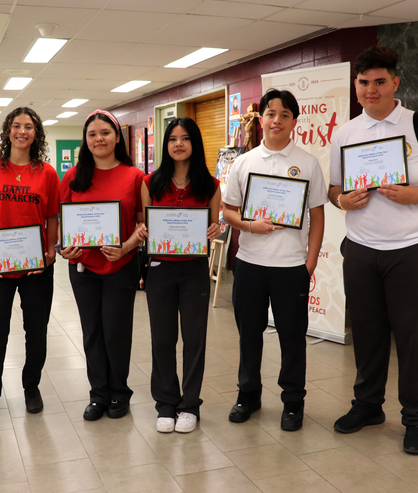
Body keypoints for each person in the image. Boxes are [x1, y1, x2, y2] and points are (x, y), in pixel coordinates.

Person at [328, 45, 418, 455]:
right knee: (368, 335)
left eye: (379, 81)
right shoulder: (345, 133)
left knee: (412, 338)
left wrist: (415, 195)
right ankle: (368, 406)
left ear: (395, 83)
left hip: (411, 250)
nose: (371, 90)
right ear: (356, 86)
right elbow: (335, 187)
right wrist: (341, 201)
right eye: (363, 82)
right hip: (360, 249)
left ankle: (417, 420)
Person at [222, 88, 327, 431]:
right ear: (261, 120)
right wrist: (250, 224)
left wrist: (309, 264)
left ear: (294, 121)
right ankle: (248, 394)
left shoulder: (308, 164)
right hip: (250, 263)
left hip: (290, 267)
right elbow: (227, 212)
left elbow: (317, 217)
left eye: (284, 114)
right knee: (248, 334)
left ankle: (293, 401)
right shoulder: (244, 162)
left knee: (292, 337)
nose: (276, 120)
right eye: (270, 113)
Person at [0, 107, 59, 425]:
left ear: (36, 133)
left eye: (28, 126)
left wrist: (48, 253)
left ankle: (31, 386)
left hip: (36, 269)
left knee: (36, 330)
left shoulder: (46, 173)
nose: (22, 131)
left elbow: (52, 217)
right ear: (7, 132)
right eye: (16, 126)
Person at [59, 109, 147, 421]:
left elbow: (144, 223)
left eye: (105, 133)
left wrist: (126, 247)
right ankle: (98, 395)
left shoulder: (135, 177)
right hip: (83, 268)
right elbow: (62, 221)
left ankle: (119, 393)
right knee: (92, 331)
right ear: (85, 140)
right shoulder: (73, 176)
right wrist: (64, 248)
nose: (99, 139)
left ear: (117, 136)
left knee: (116, 332)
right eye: (93, 134)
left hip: (121, 266)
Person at [142, 117, 221, 433]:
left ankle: (189, 405)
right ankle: (165, 403)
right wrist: (143, 229)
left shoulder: (211, 185)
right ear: (166, 145)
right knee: (162, 338)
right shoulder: (150, 183)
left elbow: (214, 226)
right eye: (172, 138)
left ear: (194, 144)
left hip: (194, 270)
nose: (178, 144)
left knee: (194, 339)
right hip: (160, 268)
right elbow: (143, 224)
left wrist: (216, 229)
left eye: (185, 138)